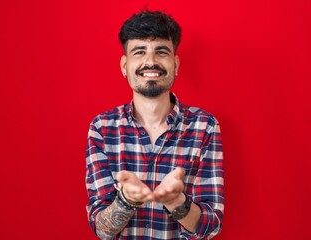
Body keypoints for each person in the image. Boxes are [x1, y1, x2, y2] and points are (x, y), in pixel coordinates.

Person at [85, 10, 224, 240]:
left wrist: (176, 202)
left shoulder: (205, 126)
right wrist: (126, 200)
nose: (150, 61)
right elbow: (102, 229)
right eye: (139, 52)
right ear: (124, 65)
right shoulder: (101, 128)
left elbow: (212, 226)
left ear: (176, 64)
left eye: (161, 51)